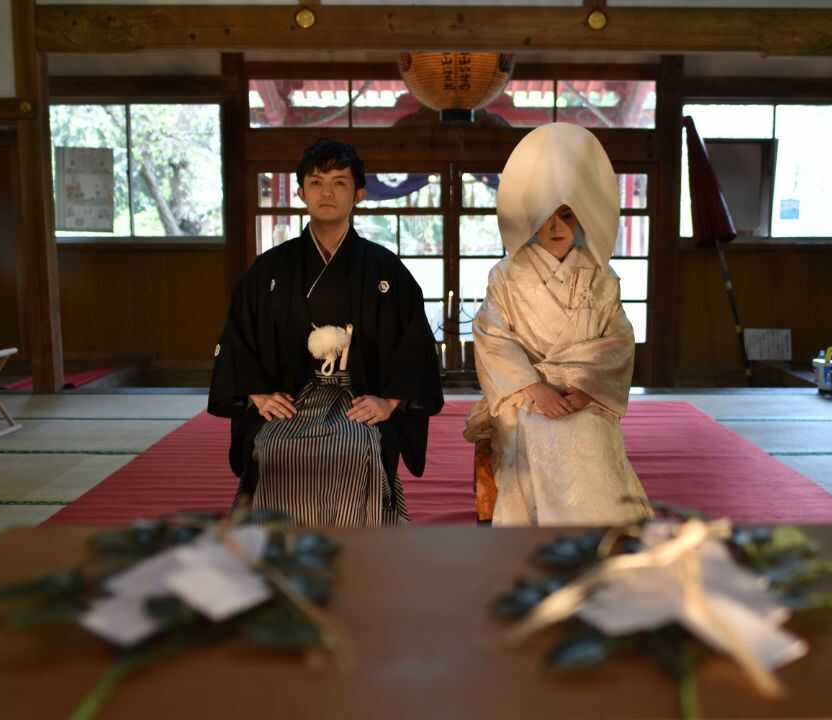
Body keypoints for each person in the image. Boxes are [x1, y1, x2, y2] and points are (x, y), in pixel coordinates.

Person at [208, 139, 443, 526]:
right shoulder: (269, 270)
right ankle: (281, 549)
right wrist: (257, 394)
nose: (327, 192)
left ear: (359, 193)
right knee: (278, 450)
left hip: (356, 396)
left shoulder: (386, 271)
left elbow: (414, 344)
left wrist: (390, 402)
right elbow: (237, 336)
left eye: (339, 182)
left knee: (353, 449)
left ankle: (360, 547)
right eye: (316, 183)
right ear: (301, 193)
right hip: (291, 396)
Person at [464, 123, 654, 526]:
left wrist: (586, 391)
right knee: (541, 434)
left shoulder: (602, 275)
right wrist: (534, 388)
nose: (555, 228)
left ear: (583, 217)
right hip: (524, 397)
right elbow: (492, 336)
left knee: (587, 434)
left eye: (567, 216)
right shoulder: (507, 274)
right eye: (547, 216)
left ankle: (603, 539)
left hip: (583, 395)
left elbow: (617, 340)